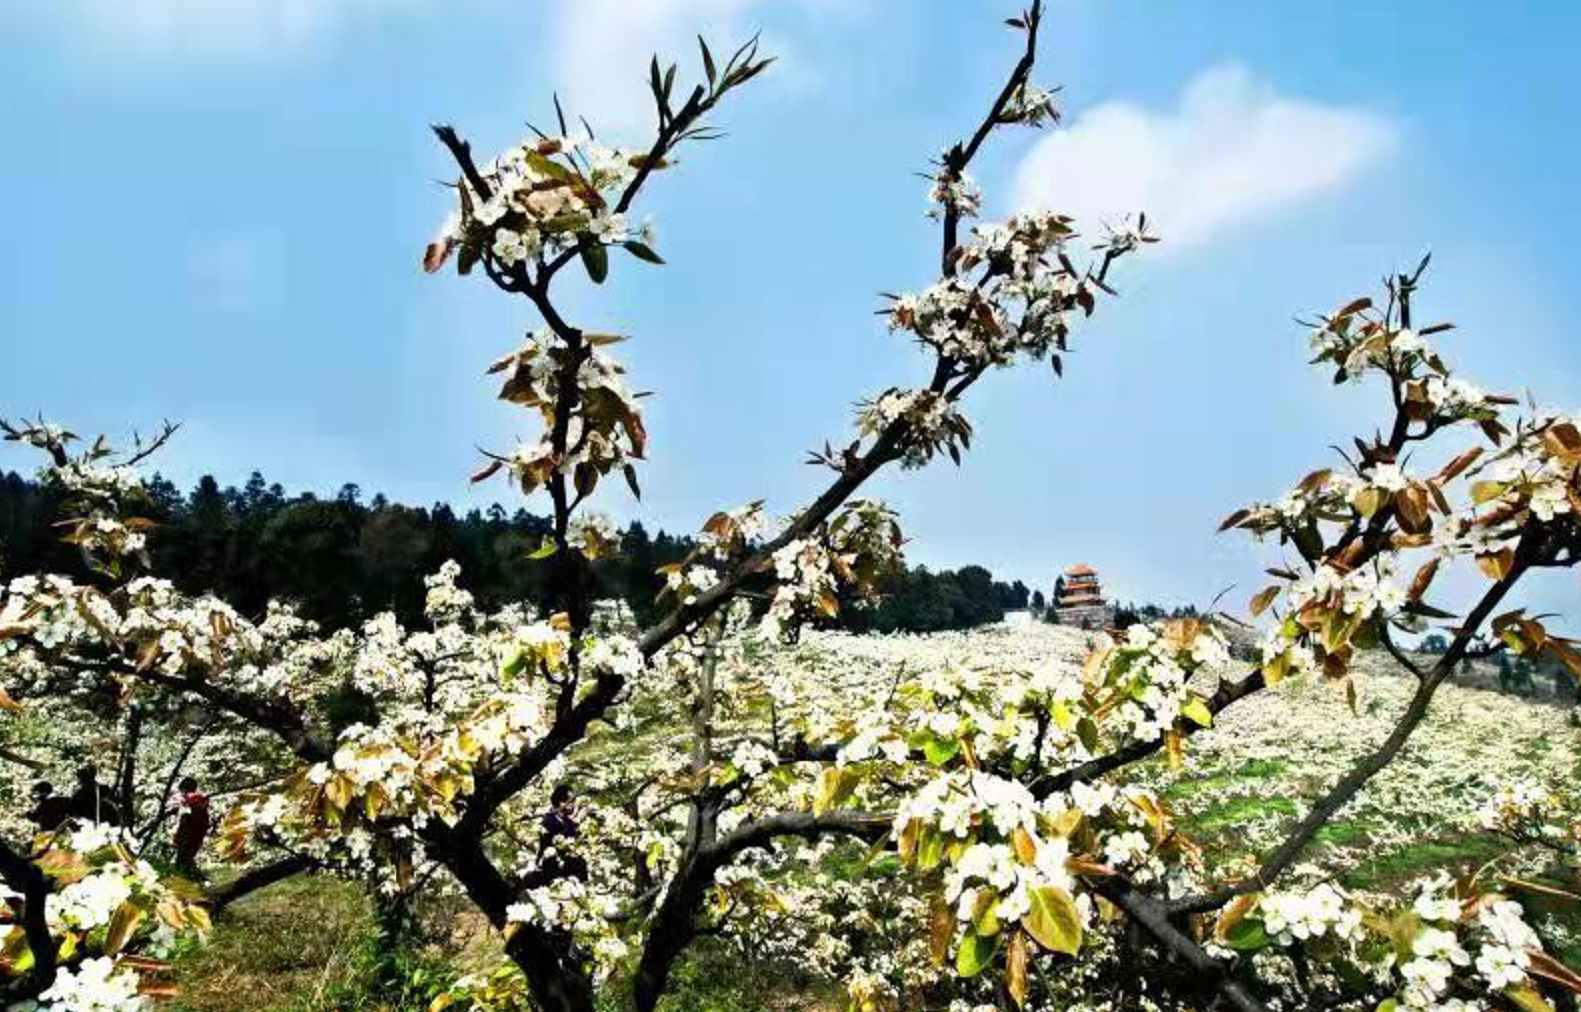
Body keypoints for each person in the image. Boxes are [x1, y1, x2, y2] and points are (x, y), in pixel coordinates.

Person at [172, 776, 210, 878]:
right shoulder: (199, 797)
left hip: (191, 832)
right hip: (197, 831)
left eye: (182, 791)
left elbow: (188, 805)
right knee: (187, 857)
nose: (182, 794)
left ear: (185, 789)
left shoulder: (193, 797)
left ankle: (190, 877)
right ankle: (194, 876)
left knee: (184, 857)